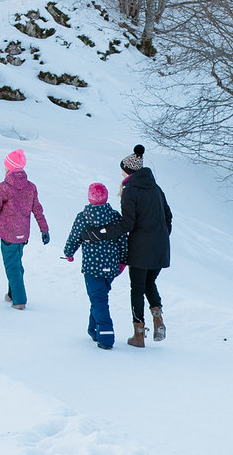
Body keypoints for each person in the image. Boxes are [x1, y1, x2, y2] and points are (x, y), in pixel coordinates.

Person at [114, 144, 174, 347]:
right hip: (161, 246)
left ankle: (138, 334)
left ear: (129, 171)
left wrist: (105, 232)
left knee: (137, 289)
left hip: (140, 248)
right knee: (150, 282)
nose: (121, 173)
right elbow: (168, 216)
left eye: (123, 170)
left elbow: (127, 224)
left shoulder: (130, 191)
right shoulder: (156, 188)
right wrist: (161, 236)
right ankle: (158, 317)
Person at [0, 148, 50, 310]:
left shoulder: (3, 187)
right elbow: (37, 210)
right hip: (23, 234)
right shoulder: (30, 187)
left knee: (12, 266)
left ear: (9, 167)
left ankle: (19, 300)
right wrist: (44, 229)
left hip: (8, 234)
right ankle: (12, 293)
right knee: (16, 263)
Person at [61, 181, 125, 349]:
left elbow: (74, 237)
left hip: (92, 267)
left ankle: (106, 337)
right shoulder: (115, 217)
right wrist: (123, 260)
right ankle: (93, 330)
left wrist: (69, 253)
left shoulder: (83, 217)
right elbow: (123, 240)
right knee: (98, 297)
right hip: (111, 267)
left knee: (98, 299)